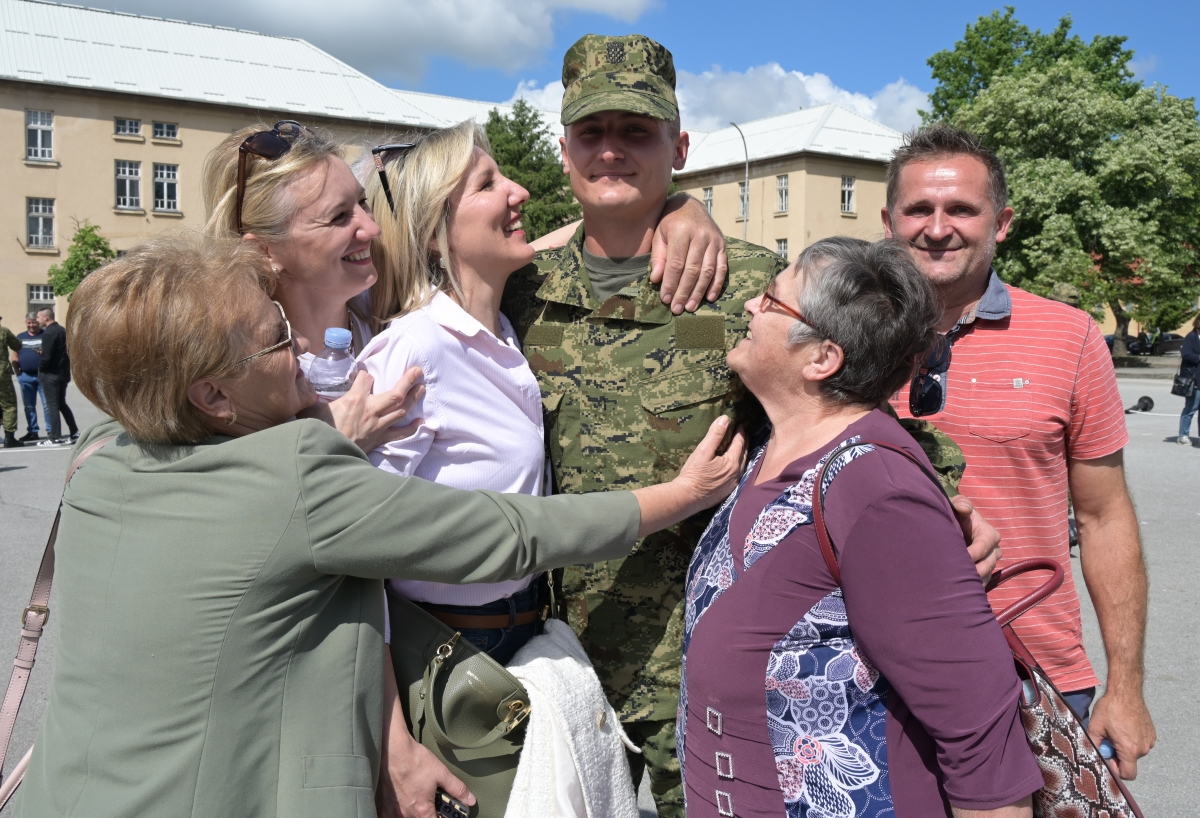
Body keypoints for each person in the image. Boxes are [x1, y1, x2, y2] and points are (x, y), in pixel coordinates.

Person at [12, 231, 744, 818]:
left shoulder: (101, 455)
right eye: (276, 343)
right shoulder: (297, 473)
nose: (300, 353)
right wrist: (679, 496)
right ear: (213, 395)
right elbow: (507, 532)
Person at [500, 34, 1004, 816]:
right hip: (554, 649)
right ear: (563, 149)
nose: (611, 153)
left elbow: (853, 409)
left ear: (680, 146)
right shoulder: (518, 290)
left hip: (706, 661)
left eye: (637, 133)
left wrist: (942, 505)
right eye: (591, 133)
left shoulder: (748, 284)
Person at [680, 237, 1041, 817]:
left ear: (822, 358)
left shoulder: (877, 489)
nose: (748, 305)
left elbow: (978, 730)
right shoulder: (773, 446)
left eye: (771, 300)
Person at [884, 123, 1156, 778]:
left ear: (1001, 222)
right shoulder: (837, 336)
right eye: (919, 208)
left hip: (1034, 670)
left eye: (962, 209)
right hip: (872, 669)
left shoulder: (1070, 337)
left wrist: (1126, 686)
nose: (938, 227)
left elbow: (1104, 517)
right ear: (889, 220)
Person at [32, 308, 78, 447]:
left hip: (50, 375)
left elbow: (47, 357)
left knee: (52, 405)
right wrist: (45, 353)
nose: (37, 319)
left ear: (46, 318)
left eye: (38, 317)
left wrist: (41, 368)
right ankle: (74, 432)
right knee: (61, 404)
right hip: (62, 373)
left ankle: (55, 438)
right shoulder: (62, 330)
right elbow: (60, 352)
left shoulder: (49, 333)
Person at [14, 314, 51, 441]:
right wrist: (17, 372)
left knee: (47, 405)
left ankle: (50, 431)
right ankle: (32, 431)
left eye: (34, 322)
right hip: (25, 376)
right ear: (26, 323)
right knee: (29, 406)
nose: (31, 325)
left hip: (43, 376)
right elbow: (14, 356)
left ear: (38, 322)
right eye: (29, 323)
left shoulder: (45, 335)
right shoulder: (20, 337)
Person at [1178, 313, 1200, 444]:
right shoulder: (1191, 337)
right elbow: (1186, 354)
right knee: (1191, 408)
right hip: (1194, 379)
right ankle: (1183, 436)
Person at [0, 315, 21, 448]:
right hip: (2, 374)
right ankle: (9, 438)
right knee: (9, 405)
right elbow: (17, 345)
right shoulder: (4, 331)